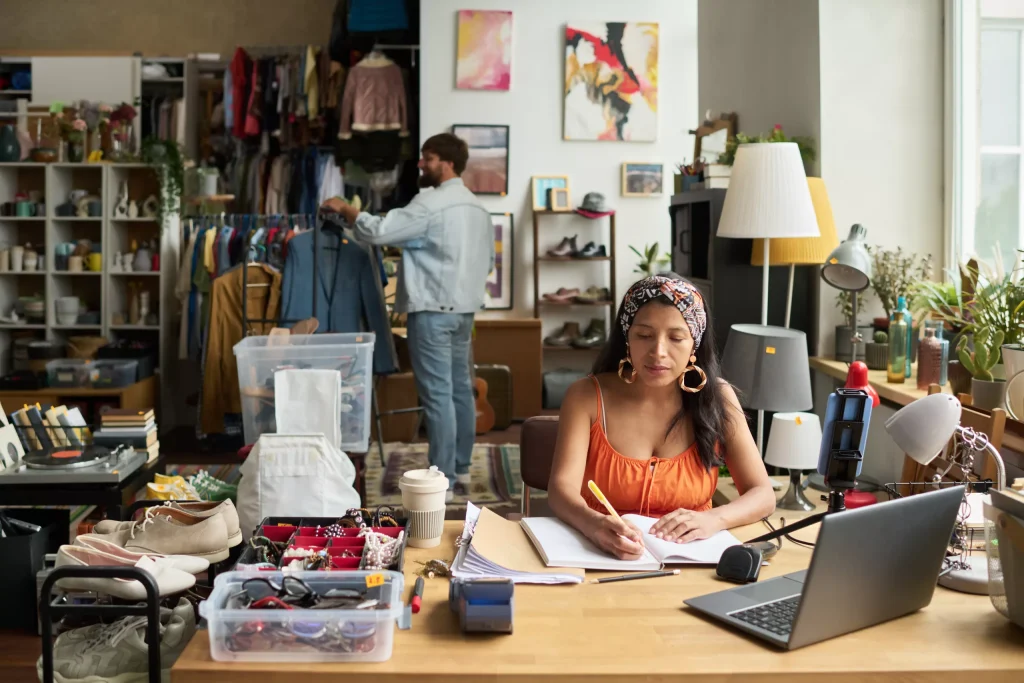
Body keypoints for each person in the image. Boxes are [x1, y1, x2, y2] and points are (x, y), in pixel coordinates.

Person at [547, 275, 776, 560]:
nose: (658, 352)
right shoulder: (585, 396)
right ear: (627, 337)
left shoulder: (719, 398)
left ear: (694, 343)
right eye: (644, 335)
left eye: (676, 338)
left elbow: (763, 494)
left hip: (693, 562)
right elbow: (561, 490)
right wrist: (593, 525)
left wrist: (713, 520)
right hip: (602, 556)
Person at [321, 133, 495, 501]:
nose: (420, 164)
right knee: (461, 388)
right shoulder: (478, 209)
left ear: (447, 163)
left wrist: (346, 209)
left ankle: (442, 479)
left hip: (432, 310)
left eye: (427, 158)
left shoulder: (431, 204)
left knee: (438, 394)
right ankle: (460, 469)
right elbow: (489, 263)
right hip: (464, 311)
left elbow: (382, 231)